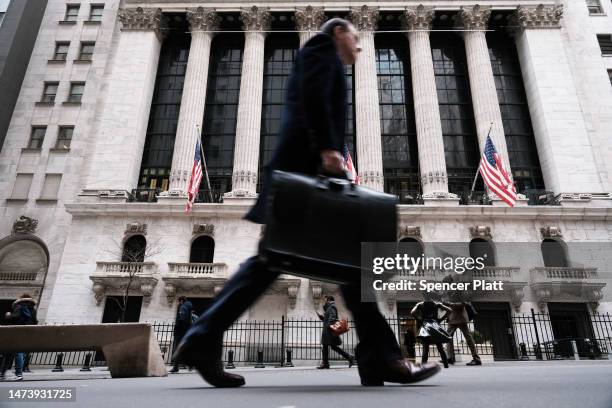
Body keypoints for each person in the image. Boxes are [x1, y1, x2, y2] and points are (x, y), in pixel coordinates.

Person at [173, 18, 441, 388]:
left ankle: (380, 357)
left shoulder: (325, 56)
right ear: (337, 33)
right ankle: (382, 357)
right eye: (355, 38)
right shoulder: (320, 51)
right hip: (308, 179)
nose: (359, 47)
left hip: (305, 179)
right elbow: (312, 99)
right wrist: (330, 149)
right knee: (326, 266)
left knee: (330, 267)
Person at [1, 294, 38, 381]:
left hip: (17, 332)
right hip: (27, 332)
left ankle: (11, 373)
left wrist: (9, 315)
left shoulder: (20, 306)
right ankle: (10, 373)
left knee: (11, 352)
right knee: (17, 352)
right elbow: (35, 321)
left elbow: (15, 317)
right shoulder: (33, 309)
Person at [411, 298, 452, 369]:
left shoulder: (421, 304)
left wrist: (419, 319)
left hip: (425, 326)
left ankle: (423, 367)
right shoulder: (437, 304)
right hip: (435, 326)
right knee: (440, 348)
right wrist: (440, 319)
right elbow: (450, 310)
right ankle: (446, 365)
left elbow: (412, 312)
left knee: (425, 348)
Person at [316, 296, 354, 369]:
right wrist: (322, 318)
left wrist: (328, 325)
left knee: (326, 346)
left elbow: (333, 317)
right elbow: (329, 318)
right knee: (331, 346)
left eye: (326, 300)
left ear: (329, 300)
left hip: (329, 330)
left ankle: (326, 363)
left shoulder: (332, 307)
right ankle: (349, 357)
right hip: (328, 330)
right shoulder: (329, 307)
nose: (325, 302)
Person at [444, 299, 482, 366]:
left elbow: (463, 303)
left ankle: (476, 359)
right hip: (452, 318)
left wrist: (450, 303)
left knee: (468, 338)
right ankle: (450, 358)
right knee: (448, 337)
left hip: (460, 318)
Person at [169, 296, 193, 373]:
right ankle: (189, 363)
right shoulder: (188, 306)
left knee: (177, 348)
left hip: (180, 331)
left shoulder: (183, 307)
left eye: (178, 301)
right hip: (186, 330)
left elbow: (182, 318)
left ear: (181, 301)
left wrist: (178, 326)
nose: (177, 303)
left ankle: (176, 367)